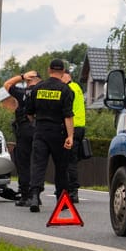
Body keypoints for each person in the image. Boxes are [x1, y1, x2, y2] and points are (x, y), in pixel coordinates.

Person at [25, 58, 75, 213]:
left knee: (38, 165)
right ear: (63, 71)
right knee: (61, 167)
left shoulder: (38, 88)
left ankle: (34, 196)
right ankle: (62, 200)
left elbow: (29, 112)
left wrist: (36, 123)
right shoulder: (66, 90)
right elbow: (68, 116)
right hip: (58, 132)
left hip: (40, 131)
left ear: (49, 70)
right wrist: (70, 136)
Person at [3, 69, 42, 206]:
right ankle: (36, 195)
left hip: (25, 131)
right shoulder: (43, 92)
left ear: (30, 79)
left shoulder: (23, 93)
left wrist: (21, 76)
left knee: (23, 163)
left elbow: (7, 84)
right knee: (38, 164)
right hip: (41, 131)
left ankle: (26, 196)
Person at [62, 68, 86, 203]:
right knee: (72, 160)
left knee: (69, 161)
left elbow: (66, 111)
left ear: (67, 75)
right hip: (80, 127)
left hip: (72, 128)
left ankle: (72, 191)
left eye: (61, 77)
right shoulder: (77, 87)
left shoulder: (69, 89)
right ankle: (70, 189)